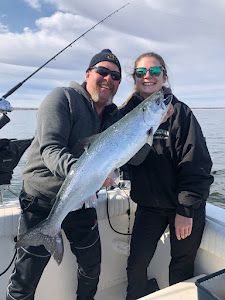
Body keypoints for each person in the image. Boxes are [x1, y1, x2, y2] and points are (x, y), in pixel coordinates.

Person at [6, 49, 122, 300]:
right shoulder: (62, 98)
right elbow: (51, 148)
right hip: (43, 200)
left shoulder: (113, 115)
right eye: (102, 71)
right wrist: (85, 173)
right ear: (88, 73)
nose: (108, 79)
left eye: (115, 76)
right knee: (25, 280)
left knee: (91, 267)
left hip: (84, 201)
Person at [119, 52, 214, 300]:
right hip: (149, 205)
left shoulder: (181, 113)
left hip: (183, 206)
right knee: (136, 265)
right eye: (141, 72)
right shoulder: (125, 114)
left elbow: (197, 164)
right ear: (134, 78)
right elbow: (124, 159)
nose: (147, 77)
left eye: (154, 71)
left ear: (164, 75)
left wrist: (185, 210)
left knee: (181, 267)